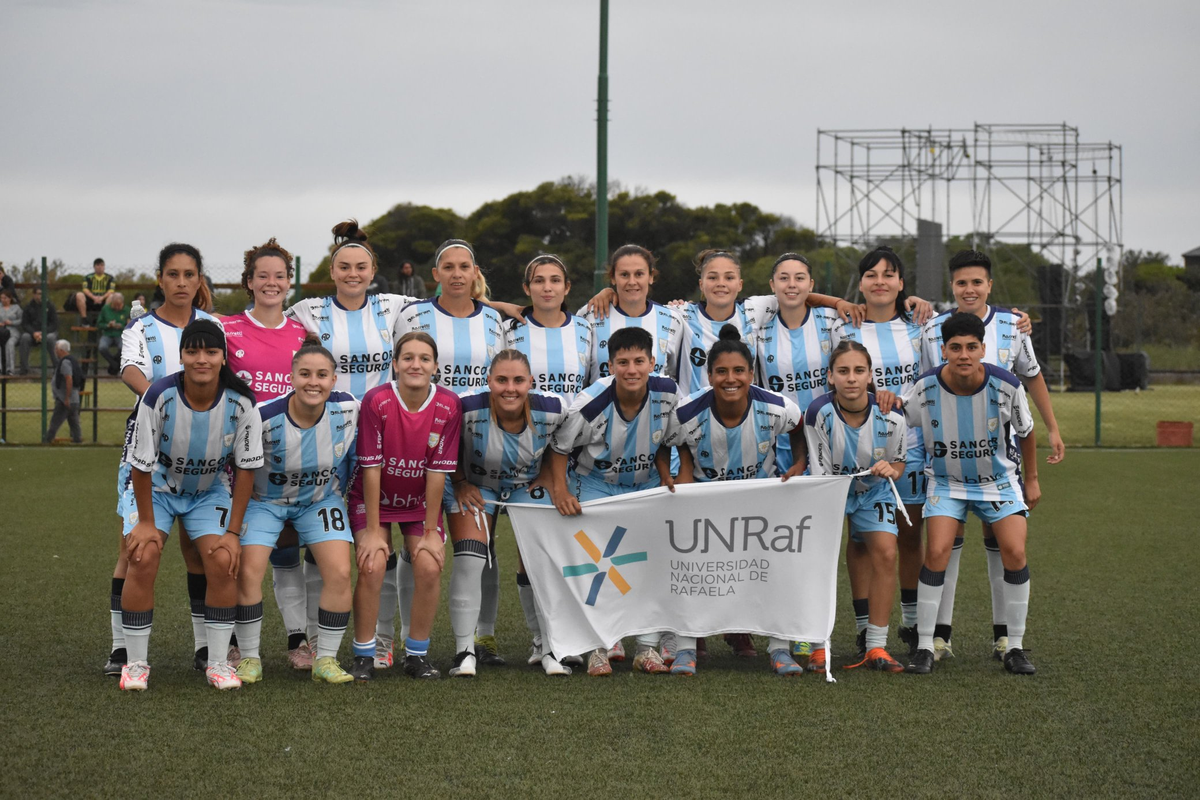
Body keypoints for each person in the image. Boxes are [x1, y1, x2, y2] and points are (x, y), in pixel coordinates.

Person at [285, 220, 421, 669]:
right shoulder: (308, 310)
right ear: (333, 268)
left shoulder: (393, 306)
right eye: (344, 266)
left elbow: (455, 303)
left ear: (372, 269)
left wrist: (507, 306)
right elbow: (264, 325)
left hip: (385, 440)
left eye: (360, 267)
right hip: (327, 440)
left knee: (376, 542)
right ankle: (305, 639)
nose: (352, 274)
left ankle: (382, 640)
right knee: (317, 540)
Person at [917, 249, 1063, 660]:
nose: (969, 290)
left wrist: (1052, 428)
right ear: (952, 286)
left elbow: (1031, 378)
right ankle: (938, 636)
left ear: (990, 286)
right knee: (946, 542)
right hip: (946, 459)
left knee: (1004, 542)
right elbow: (923, 389)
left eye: (977, 282)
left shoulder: (1014, 325)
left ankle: (1005, 637)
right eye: (962, 283)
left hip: (1000, 457)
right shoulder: (932, 329)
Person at [116, 319, 263, 690]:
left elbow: (246, 470)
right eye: (192, 351)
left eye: (210, 351)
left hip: (207, 491)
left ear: (223, 357)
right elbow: (141, 465)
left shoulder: (243, 402)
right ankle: (134, 664)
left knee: (223, 559)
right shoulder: (158, 396)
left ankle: (217, 663)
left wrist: (232, 533)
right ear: (180, 355)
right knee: (143, 553)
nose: (201, 359)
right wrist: (147, 524)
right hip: (158, 490)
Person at [394, 239, 512, 668]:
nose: (457, 273)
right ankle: (406, 642)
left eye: (465, 266)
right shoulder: (412, 314)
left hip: (479, 448)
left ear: (474, 272)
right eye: (449, 266)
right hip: (419, 442)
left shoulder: (495, 320)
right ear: (436, 273)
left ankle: (483, 640)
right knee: (412, 546)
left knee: (483, 547)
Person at [900, 312, 1040, 676]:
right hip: (948, 483)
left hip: (997, 481)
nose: (964, 355)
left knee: (1015, 550)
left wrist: (1034, 479)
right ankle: (926, 646)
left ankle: (1016, 646)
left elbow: (1026, 431)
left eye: (972, 347)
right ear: (944, 349)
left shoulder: (1006, 383)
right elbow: (901, 417)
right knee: (936, 551)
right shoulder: (925, 386)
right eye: (956, 347)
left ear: (982, 349)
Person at [662, 324, 805, 676]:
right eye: (722, 371)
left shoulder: (777, 407)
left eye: (739, 371)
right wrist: (671, 474)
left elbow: (801, 428)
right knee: (692, 571)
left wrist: (800, 463)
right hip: (704, 502)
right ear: (709, 375)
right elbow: (665, 443)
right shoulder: (685, 412)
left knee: (772, 571)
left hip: (759, 502)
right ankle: (686, 648)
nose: (731, 379)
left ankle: (780, 648)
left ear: (751, 374)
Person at [105, 243, 219, 678]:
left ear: (199, 280)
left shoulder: (214, 325)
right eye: (173, 274)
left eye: (190, 274)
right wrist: (169, 401)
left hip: (204, 452)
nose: (182, 282)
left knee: (197, 550)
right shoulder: (139, 327)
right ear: (160, 279)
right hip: (149, 447)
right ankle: (120, 648)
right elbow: (130, 371)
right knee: (133, 548)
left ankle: (206, 648)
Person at [547, 327, 680, 677]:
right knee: (597, 567)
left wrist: (667, 474)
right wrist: (561, 491)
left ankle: (646, 649)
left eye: (639, 361)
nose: (632, 369)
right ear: (610, 365)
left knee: (651, 563)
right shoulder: (589, 405)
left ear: (653, 362)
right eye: (623, 362)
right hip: (596, 484)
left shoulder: (668, 392)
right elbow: (559, 447)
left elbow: (668, 438)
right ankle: (597, 648)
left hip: (644, 483)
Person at [234, 342, 358, 685]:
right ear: (291, 377)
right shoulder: (261, 417)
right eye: (304, 374)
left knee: (340, 571)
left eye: (321, 375)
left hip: (319, 500)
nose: (313, 382)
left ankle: (326, 659)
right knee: (249, 571)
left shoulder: (350, 409)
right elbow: (241, 471)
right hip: (266, 502)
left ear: (334, 379)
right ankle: (248, 658)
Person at [827, 246, 927, 666]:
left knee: (908, 535)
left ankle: (912, 620)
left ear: (903, 284)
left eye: (890, 274)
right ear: (861, 282)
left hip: (912, 446)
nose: (880, 281)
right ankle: (865, 624)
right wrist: (834, 300)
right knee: (861, 538)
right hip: (854, 448)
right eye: (871, 274)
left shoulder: (923, 326)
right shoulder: (844, 325)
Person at [445, 350, 570, 677]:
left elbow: (566, 444)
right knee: (472, 556)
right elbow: (445, 444)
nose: (510, 388)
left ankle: (546, 645)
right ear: (489, 382)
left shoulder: (554, 409)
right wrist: (459, 483)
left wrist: (547, 477)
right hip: (476, 485)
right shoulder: (466, 407)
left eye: (518, 380)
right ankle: (465, 651)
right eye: (501, 380)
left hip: (525, 485)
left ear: (531, 382)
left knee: (539, 557)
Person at [345, 331, 461, 682]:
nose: (416, 364)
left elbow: (437, 473)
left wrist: (429, 532)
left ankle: (417, 654)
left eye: (424, 358)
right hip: (374, 499)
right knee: (373, 563)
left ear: (435, 367)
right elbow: (371, 468)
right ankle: (364, 654)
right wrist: (373, 534)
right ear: (394, 364)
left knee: (428, 564)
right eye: (407, 357)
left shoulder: (449, 404)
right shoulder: (377, 400)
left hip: (418, 502)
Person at [224, 238, 314, 670]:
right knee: (242, 551)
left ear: (289, 282)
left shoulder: (303, 334)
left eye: (279, 276)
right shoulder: (226, 330)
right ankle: (236, 641)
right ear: (249, 281)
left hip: (292, 464)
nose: (271, 283)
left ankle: (299, 640)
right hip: (237, 466)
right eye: (263, 276)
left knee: (286, 552)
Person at [799, 340, 909, 673]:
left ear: (870, 376)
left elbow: (899, 462)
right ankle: (818, 645)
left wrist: (891, 469)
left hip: (873, 492)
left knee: (887, 553)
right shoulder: (818, 413)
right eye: (843, 371)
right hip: (828, 491)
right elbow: (819, 472)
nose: (851, 378)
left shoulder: (892, 416)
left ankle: (876, 646)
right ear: (830, 377)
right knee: (820, 560)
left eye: (859, 371)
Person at [577, 244, 684, 383]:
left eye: (639, 274)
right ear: (613, 278)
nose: (632, 282)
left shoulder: (672, 319)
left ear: (651, 277)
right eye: (624, 275)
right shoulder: (590, 315)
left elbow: (678, 377)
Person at [504, 254, 593, 404]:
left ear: (567, 287)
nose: (547, 288)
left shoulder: (584, 327)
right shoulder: (508, 329)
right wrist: (499, 305)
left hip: (573, 427)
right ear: (526, 288)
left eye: (555, 280)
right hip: (524, 426)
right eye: (539, 281)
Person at [43, 339, 84, 443]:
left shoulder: (65, 362)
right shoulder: (72, 360)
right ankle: (77, 440)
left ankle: (47, 441)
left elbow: (68, 378)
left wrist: (67, 397)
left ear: (61, 350)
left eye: (56, 349)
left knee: (55, 422)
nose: (55, 351)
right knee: (74, 422)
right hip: (74, 399)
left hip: (64, 399)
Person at [18, 287, 59, 375]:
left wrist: (43, 333)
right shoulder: (28, 306)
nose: (42, 296)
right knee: (25, 338)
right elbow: (25, 324)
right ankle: (24, 369)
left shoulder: (50, 306)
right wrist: (33, 333)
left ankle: (57, 368)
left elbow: (54, 324)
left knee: (51, 338)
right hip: (33, 334)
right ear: (34, 295)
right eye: (40, 294)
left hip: (47, 333)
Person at [95, 293, 129, 375]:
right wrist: (108, 325)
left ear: (122, 303)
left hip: (121, 334)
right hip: (107, 334)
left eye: (119, 305)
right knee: (102, 347)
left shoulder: (128, 310)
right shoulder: (105, 309)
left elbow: (131, 326)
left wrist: (122, 326)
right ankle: (115, 364)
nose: (117, 307)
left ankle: (113, 366)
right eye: (115, 305)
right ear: (112, 303)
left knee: (124, 348)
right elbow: (99, 324)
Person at [0, 289, 23, 374]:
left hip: (13, 332)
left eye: (5, 298)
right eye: (1, 298)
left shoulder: (16, 308)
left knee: (10, 344)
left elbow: (21, 320)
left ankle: (10, 369)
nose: (3, 300)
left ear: (10, 298)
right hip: (1, 331)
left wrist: (12, 322)